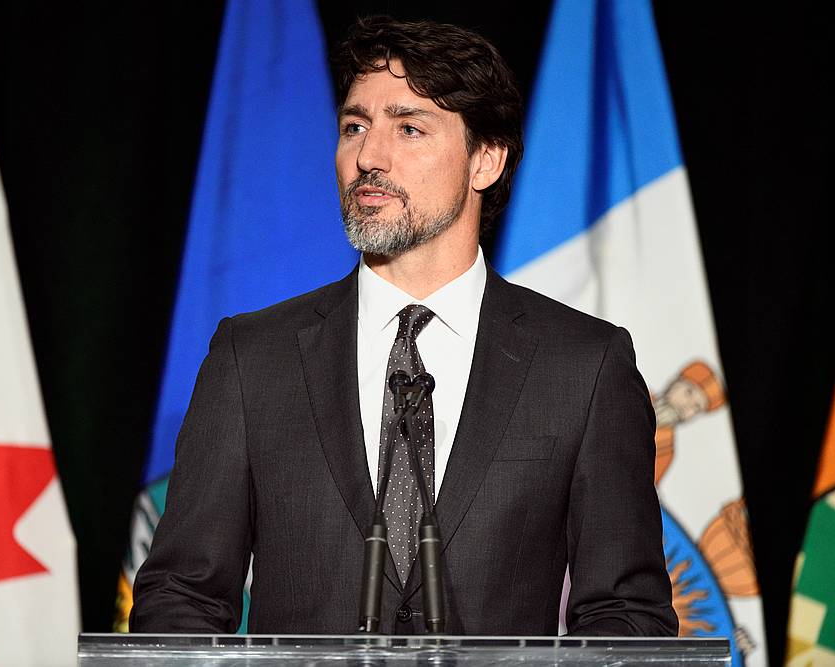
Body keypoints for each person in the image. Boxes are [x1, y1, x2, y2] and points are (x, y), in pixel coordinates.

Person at [130, 16, 678, 636]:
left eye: (408, 129)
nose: (368, 157)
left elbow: (625, 617)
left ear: (485, 161)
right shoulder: (252, 357)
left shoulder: (584, 364)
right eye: (354, 127)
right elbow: (181, 599)